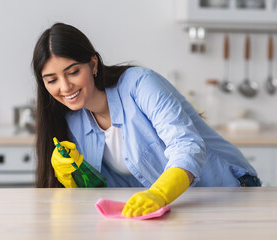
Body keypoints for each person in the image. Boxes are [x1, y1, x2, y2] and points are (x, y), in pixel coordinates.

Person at [31, 23, 261, 217]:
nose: (65, 87)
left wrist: (159, 193)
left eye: (72, 72)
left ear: (92, 65)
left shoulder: (139, 84)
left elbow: (187, 146)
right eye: (51, 80)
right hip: (174, 211)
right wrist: (74, 176)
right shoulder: (72, 121)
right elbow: (104, 189)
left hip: (227, 191)